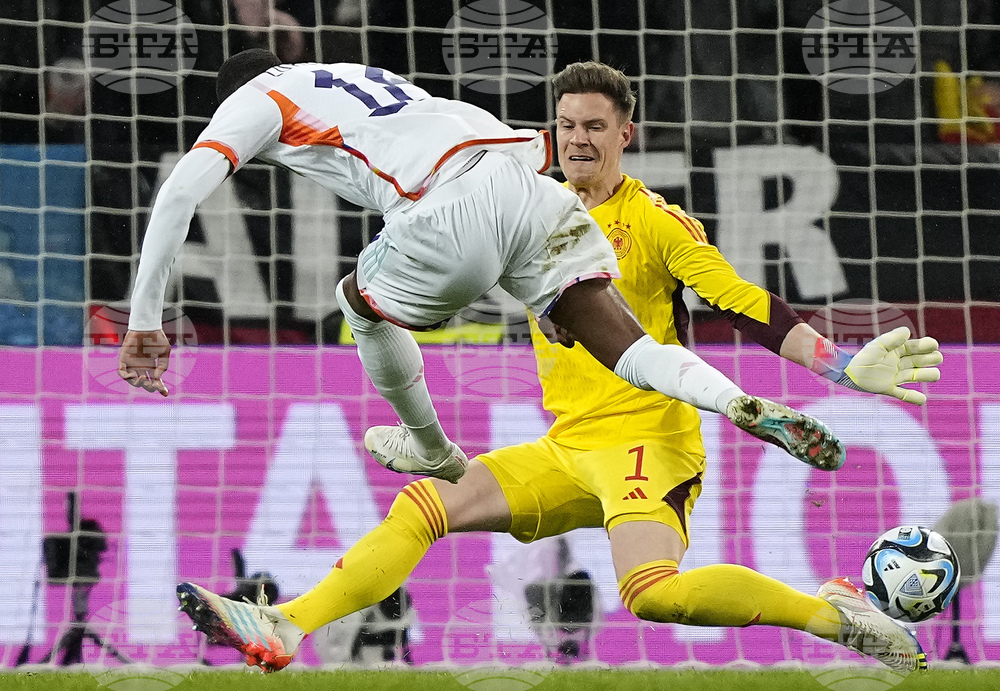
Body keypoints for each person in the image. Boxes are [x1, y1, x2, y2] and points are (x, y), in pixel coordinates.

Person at [176, 61, 942, 675]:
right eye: (568, 125)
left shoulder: (656, 221)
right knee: (425, 505)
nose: (579, 139)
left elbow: (741, 302)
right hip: (568, 444)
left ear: (625, 134)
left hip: (648, 440)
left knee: (653, 594)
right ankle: (285, 624)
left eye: (595, 127)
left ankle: (834, 612)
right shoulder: (527, 207)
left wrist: (838, 364)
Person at [117, 49, 851, 483]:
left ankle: (433, 450)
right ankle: (735, 401)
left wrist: (146, 321)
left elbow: (180, 191)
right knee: (628, 347)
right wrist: (531, 283)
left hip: (444, 206)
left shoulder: (256, 97)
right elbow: (486, 199)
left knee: (356, 301)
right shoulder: (354, 75)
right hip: (520, 180)